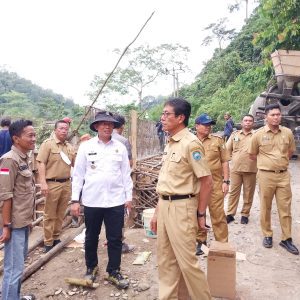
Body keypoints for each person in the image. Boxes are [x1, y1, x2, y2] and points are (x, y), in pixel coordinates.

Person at [150, 98, 212, 300]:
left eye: (167, 114)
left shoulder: (190, 144)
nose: (163, 117)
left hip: (182, 208)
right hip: (165, 206)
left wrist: (200, 214)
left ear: (180, 118)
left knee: (187, 263)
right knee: (167, 261)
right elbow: (166, 184)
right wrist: (157, 214)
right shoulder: (170, 143)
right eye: (163, 113)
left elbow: (206, 181)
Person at [71, 111, 133, 289]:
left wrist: (128, 197)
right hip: (92, 201)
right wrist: (75, 200)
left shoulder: (119, 147)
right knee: (91, 237)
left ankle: (114, 271)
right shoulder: (86, 147)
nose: (107, 126)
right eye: (103, 123)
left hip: (115, 201)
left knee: (115, 238)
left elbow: (125, 175)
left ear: (114, 127)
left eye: (110, 124)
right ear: (96, 126)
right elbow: (78, 175)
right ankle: (91, 268)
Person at [249, 103, 299, 255]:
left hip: (283, 175)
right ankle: (267, 234)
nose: (277, 117)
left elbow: (290, 152)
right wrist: (268, 164)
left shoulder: (287, 133)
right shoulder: (257, 135)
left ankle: (286, 238)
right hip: (266, 175)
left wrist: (280, 163)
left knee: (285, 208)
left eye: (278, 114)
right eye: (273, 115)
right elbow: (252, 155)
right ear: (266, 117)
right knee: (266, 207)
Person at [0, 119, 36, 300]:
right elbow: (5, 195)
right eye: (30, 135)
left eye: (34, 135)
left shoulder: (24, 158)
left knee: (18, 266)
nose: (34, 139)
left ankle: (15, 296)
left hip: (22, 221)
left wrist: (29, 221)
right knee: (13, 269)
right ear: (16, 138)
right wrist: (6, 225)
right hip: (13, 224)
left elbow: (25, 194)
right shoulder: (8, 160)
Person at [36, 120, 75, 253]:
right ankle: (48, 241)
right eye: (61, 128)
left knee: (60, 213)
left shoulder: (69, 147)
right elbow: (41, 163)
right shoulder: (48, 144)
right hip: (52, 183)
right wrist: (43, 183)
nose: (64, 131)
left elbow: (75, 164)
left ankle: (56, 237)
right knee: (49, 214)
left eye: (66, 128)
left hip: (66, 183)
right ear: (55, 130)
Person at [195, 113, 230, 255]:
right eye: (205, 124)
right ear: (197, 126)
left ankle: (222, 244)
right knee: (197, 214)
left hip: (215, 184)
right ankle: (200, 242)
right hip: (196, 185)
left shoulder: (218, 140)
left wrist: (226, 181)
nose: (208, 127)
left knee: (218, 215)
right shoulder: (190, 141)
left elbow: (225, 161)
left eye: (210, 124)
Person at [226, 114, 257, 225]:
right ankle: (230, 214)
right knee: (233, 192)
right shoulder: (235, 134)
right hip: (235, 169)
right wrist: (231, 160)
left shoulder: (256, 135)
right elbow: (227, 149)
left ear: (253, 123)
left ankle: (245, 214)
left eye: (250, 121)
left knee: (248, 193)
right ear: (241, 122)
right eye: (245, 120)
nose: (247, 122)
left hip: (251, 169)